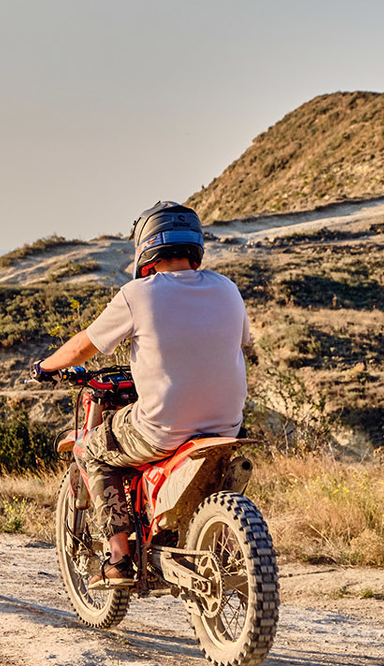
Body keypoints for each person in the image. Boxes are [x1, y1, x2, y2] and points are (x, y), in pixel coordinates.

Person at [31, 201, 251, 590]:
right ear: (195, 245)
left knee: (91, 449)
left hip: (164, 428)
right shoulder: (228, 289)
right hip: (227, 424)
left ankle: (118, 559)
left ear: (147, 246)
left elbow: (86, 345)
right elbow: (243, 342)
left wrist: (46, 367)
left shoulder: (138, 294)